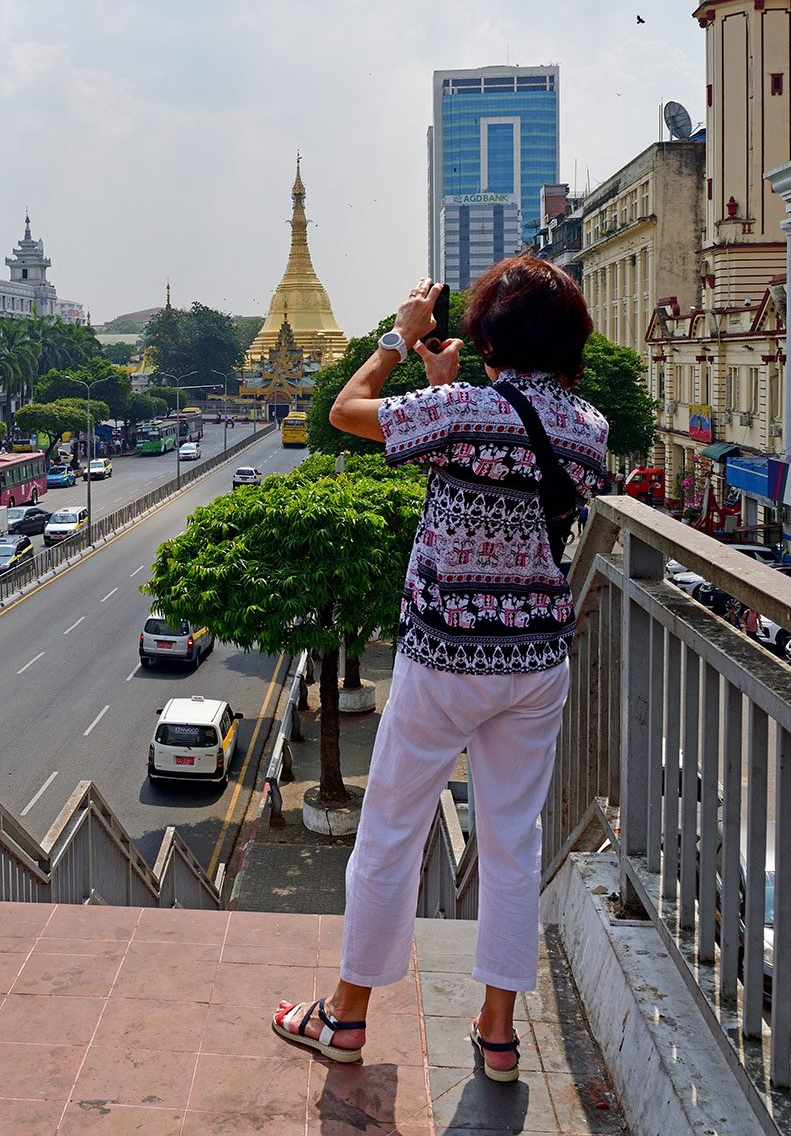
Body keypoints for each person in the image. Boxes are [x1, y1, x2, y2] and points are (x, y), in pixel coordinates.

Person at [271, 259, 610, 1080]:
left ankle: (348, 1016)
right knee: (511, 842)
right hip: (534, 659)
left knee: (389, 831)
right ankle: (498, 1033)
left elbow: (342, 412)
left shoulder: (459, 410)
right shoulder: (589, 427)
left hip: (446, 656)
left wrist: (401, 339)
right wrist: (453, 388)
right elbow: (514, 469)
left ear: (490, 334)